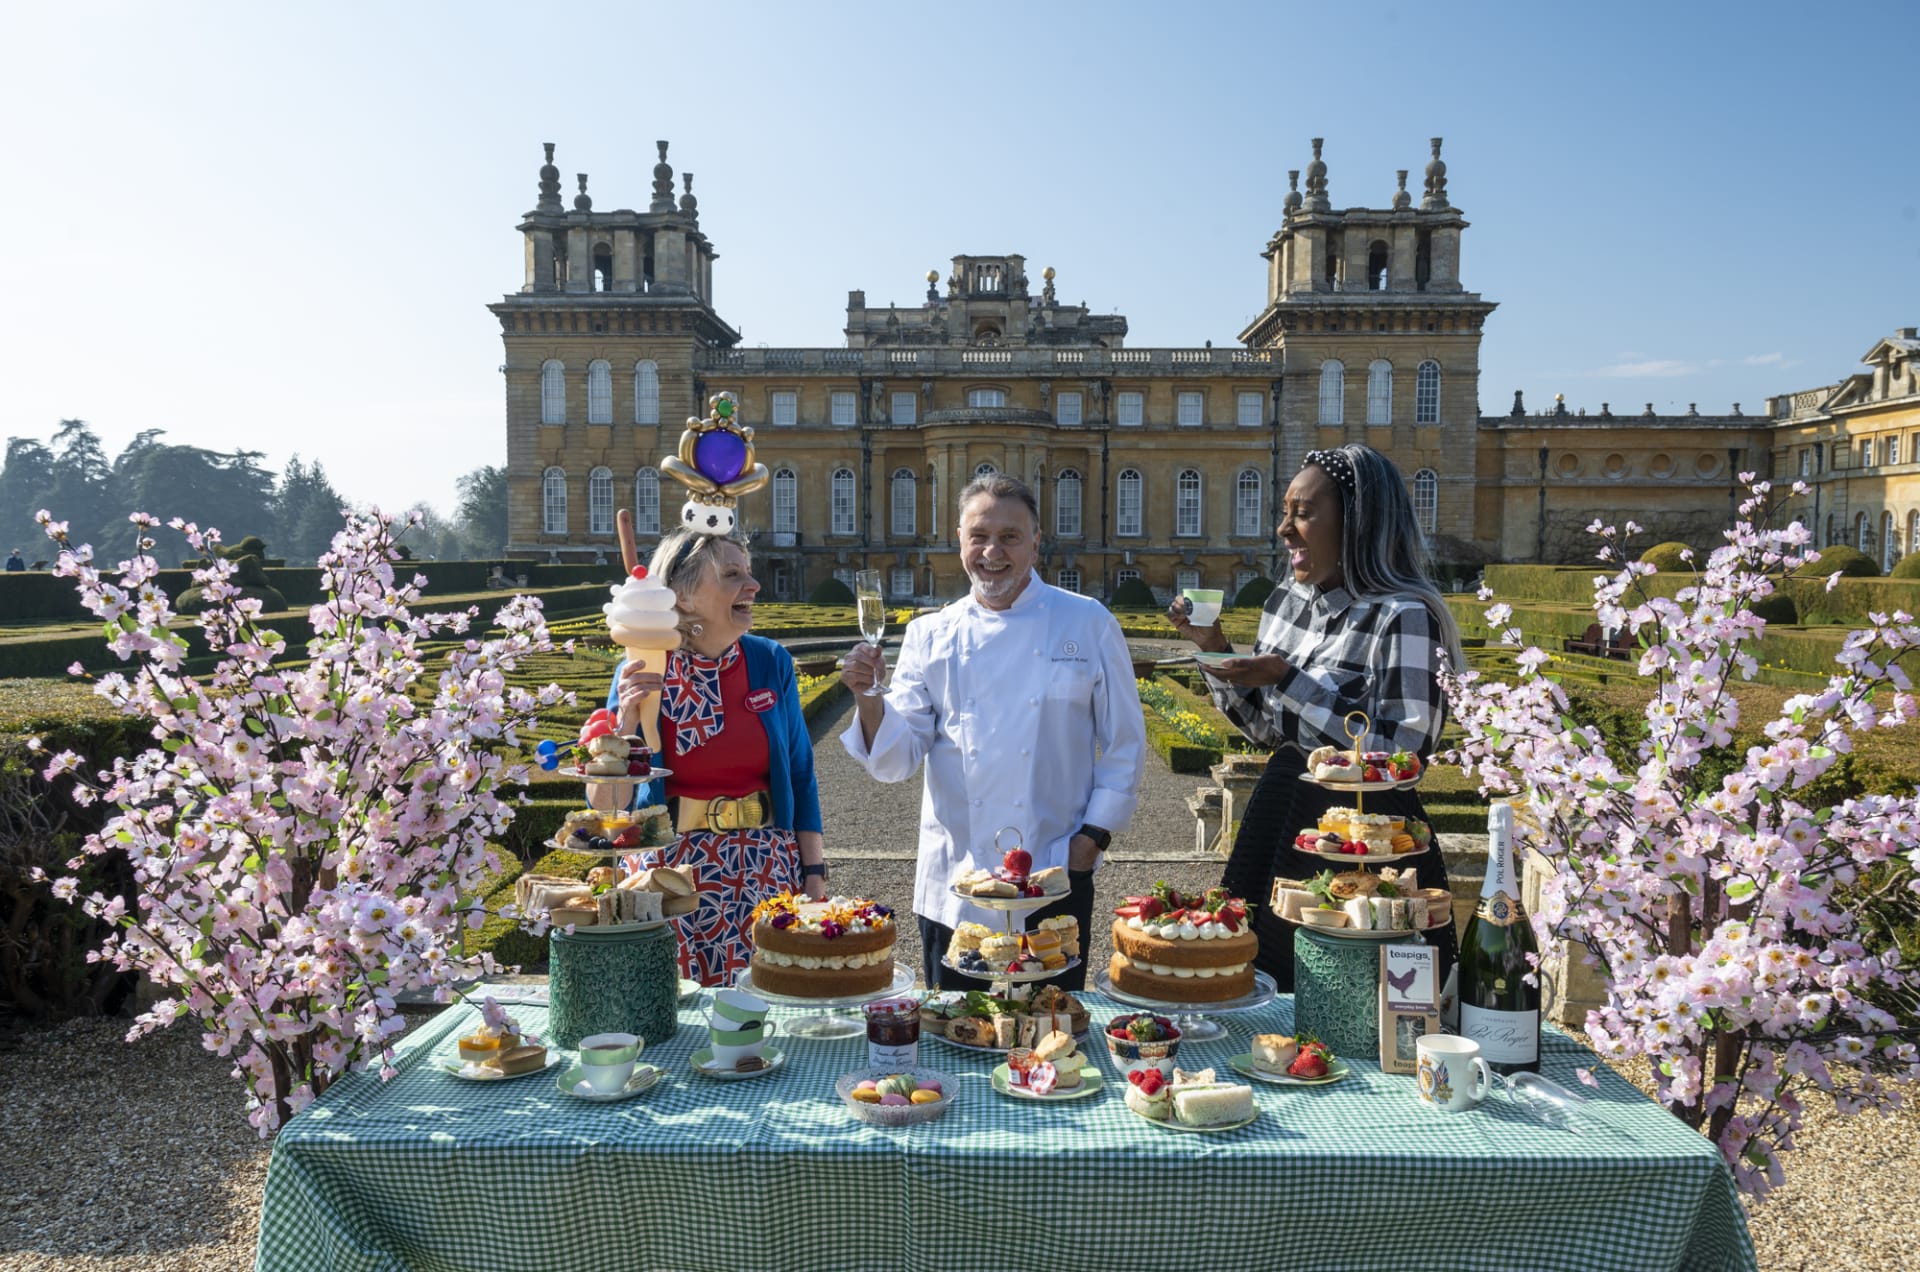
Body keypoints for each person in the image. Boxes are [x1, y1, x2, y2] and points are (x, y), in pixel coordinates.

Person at [1167, 443, 1465, 991]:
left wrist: (1287, 679)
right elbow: (1266, 729)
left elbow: (1405, 754)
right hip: (1284, 813)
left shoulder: (1404, 615)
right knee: (1257, 982)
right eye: (1285, 512)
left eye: (1303, 513)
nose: (1284, 529)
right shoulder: (1285, 602)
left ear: (1358, 522)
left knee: (1356, 995)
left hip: (1369, 839)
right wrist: (1211, 648)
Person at [840, 474, 1146, 991]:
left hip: (1053, 875)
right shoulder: (929, 634)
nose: (992, 552)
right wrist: (869, 697)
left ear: (1036, 542)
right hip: (957, 882)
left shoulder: (1087, 622)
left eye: (1009, 536)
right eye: (979, 536)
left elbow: (1124, 745)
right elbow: (894, 763)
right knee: (957, 1039)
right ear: (959, 540)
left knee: (1051, 1040)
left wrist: (1090, 841)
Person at [605, 528, 828, 986]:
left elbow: (802, 776)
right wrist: (625, 726)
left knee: (766, 1025)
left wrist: (815, 876)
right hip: (669, 878)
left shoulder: (771, 661)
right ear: (683, 596)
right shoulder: (641, 665)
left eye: (748, 571)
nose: (754, 584)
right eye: (732, 574)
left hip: (766, 871)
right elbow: (606, 804)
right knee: (673, 1024)